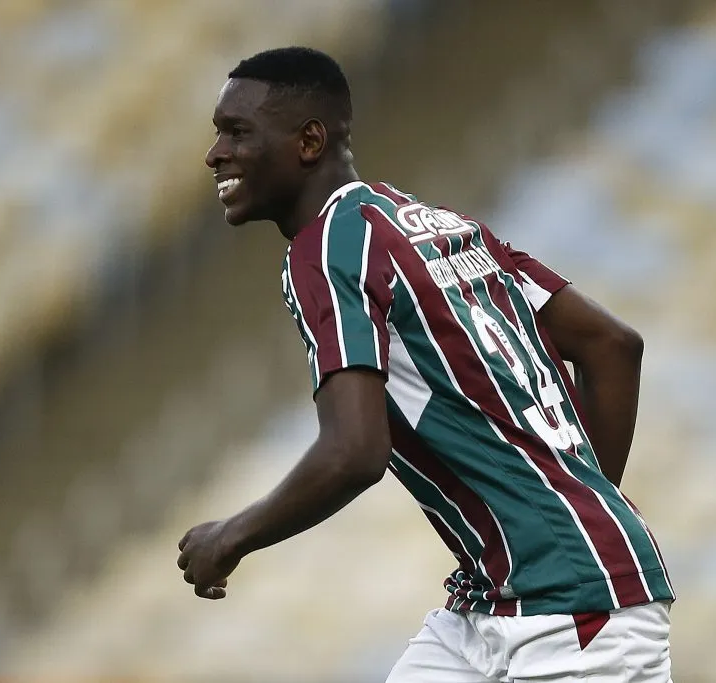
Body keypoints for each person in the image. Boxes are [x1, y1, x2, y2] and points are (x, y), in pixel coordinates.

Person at [176, 46, 674, 682]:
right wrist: (578, 512)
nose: (215, 153)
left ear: (308, 142)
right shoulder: (441, 226)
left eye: (236, 131)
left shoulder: (327, 248)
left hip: (576, 617)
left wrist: (230, 537)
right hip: (497, 605)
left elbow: (354, 452)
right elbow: (613, 347)